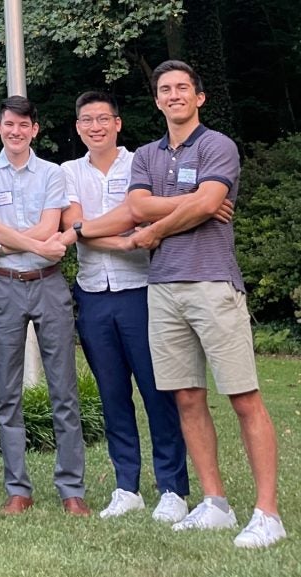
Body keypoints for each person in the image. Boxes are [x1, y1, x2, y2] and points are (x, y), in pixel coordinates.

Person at [121, 60, 285, 547]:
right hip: (163, 287)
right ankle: (215, 503)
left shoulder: (218, 145)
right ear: (157, 100)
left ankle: (267, 514)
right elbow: (139, 205)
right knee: (187, 397)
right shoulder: (147, 154)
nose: (173, 95)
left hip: (213, 282)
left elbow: (199, 200)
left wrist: (154, 227)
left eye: (182, 88)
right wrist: (192, 203)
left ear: (199, 98)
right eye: (165, 89)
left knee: (243, 396)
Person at [58, 91, 189, 521]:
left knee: (157, 391)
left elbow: (144, 219)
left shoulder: (143, 163)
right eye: (86, 120)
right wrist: (129, 236)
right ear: (78, 128)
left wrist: (97, 231)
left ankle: (172, 487)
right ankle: (126, 486)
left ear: (118, 123)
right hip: (93, 295)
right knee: (113, 395)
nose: (95, 126)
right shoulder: (68, 171)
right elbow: (73, 226)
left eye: (102, 119)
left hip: (141, 291)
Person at [0, 96, 88, 516]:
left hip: (50, 286)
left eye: (24, 125)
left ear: (34, 129)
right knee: (8, 393)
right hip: (4, 287)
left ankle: (71, 489)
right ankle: (18, 489)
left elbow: (45, 223)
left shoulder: (54, 173)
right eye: (9, 124)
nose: (16, 131)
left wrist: (11, 240)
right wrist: (39, 244)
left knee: (64, 391)